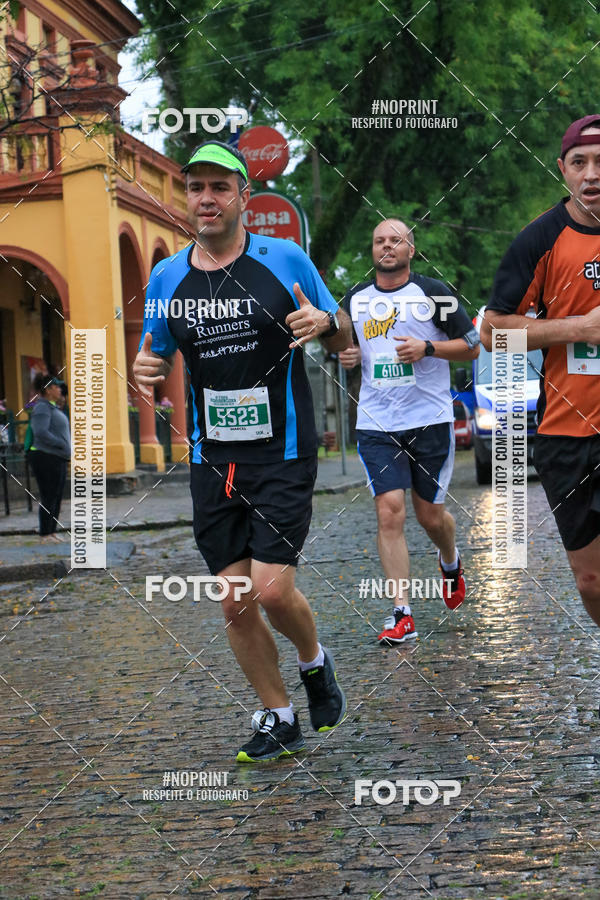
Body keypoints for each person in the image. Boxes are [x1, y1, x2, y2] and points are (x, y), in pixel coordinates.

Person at [133, 140, 351, 762]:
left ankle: (315, 661)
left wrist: (325, 326)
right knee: (233, 599)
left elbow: (340, 331)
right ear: (188, 197)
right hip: (212, 459)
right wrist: (146, 365)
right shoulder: (165, 277)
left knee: (274, 591)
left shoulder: (286, 260)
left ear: (242, 198)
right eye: (196, 187)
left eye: (220, 187)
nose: (207, 198)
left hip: (281, 451)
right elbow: (154, 351)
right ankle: (278, 714)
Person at [483, 115, 600, 632]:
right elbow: (492, 334)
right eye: (580, 162)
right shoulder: (541, 238)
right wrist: (580, 329)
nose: (592, 174)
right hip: (567, 436)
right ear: (563, 170)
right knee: (591, 581)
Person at [339, 219, 480, 645]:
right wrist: (346, 356)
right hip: (378, 424)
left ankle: (450, 559)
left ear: (410, 249)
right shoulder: (356, 300)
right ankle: (402, 613)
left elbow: (473, 345)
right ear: (373, 249)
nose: (387, 246)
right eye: (379, 240)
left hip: (430, 420)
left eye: (395, 240)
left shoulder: (434, 293)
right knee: (390, 511)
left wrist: (428, 348)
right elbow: (345, 345)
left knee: (429, 516)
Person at [28, 373, 71, 543]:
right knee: (49, 495)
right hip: (46, 457)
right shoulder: (42, 408)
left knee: (56, 495)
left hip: (57, 457)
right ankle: (45, 533)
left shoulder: (52, 407)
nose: (60, 389)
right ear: (48, 390)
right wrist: (61, 444)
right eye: (57, 386)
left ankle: (52, 531)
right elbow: (41, 432)